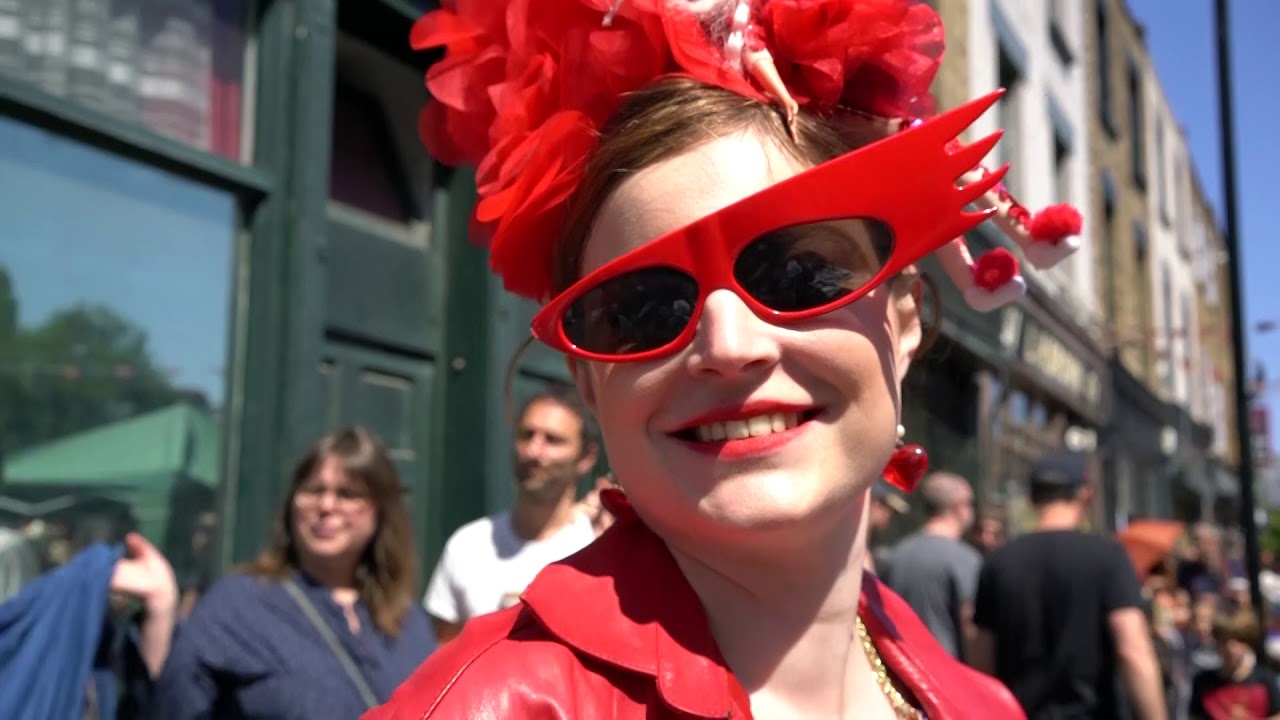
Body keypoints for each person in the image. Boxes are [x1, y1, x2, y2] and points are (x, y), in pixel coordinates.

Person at [368, 0, 1071, 717]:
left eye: (798, 275)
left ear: (904, 313)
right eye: (644, 309)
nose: (728, 346)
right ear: (588, 379)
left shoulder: (983, 704)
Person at [150, 427, 435, 718]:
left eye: (347, 494)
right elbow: (177, 702)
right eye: (313, 490)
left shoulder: (410, 624)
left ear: (380, 511)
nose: (326, 506)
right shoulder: (237, 605)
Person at [971, 450, 1166, 719]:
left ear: (1032, 496)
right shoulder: (1107, 556)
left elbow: (981, 662)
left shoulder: (998, 562)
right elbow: (1133, 651)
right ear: (1085, 494)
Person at [424, 384, 601, 643]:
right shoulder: (468, 545)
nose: (533, 451)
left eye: (553, 440)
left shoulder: (597, 548)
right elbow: (444, 652)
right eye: (526, 435)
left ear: (586, 456)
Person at [883, 471, 982, 660]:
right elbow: (971, 629)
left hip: (902, 668)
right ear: (958, 506)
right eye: (971, 504)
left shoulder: (897, 555)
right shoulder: (966, 559)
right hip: (947, 674)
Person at [1188, 608, 1280, 719]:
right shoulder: (1203, 682)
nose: (1231, 649)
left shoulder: (1265, 680)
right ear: (1216, 642)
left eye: (1238, 641)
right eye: (1225, 641)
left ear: (1248, 642)